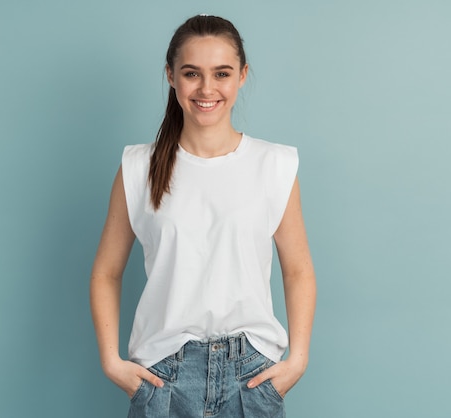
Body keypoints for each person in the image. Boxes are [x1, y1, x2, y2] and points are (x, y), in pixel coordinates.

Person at [90, 14, 316, 417]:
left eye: (222, 73)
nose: (207, 88)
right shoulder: (138, 167)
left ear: (243, 75)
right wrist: (111, 361)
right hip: (163, 374)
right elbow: (106, 271)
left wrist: (296, 360)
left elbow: (297, 269)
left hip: (252, 375)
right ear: (171, 76)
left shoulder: (274, 165)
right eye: (192, 73)